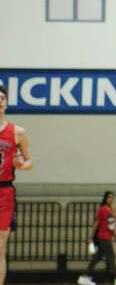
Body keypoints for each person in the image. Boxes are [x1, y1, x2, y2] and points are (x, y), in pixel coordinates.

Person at [0, 82, 32, 285]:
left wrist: (21, 165)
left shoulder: (17, 132)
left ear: (6, 103)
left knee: (0, 247)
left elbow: (30, 161)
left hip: (4, 192)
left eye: (2, 99)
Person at [77, 191, 116, 285]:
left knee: (97, 258)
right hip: (105, 237)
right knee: (111, 257)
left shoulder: (108, 210)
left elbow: (111, 225)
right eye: (109, 197)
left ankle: (84, 277)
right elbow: (97, 223)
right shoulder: (104, 209)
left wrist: (115, 237)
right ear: (105, 198)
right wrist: (91, 237)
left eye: (112, 197)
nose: (111, 199)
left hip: (104, 237)